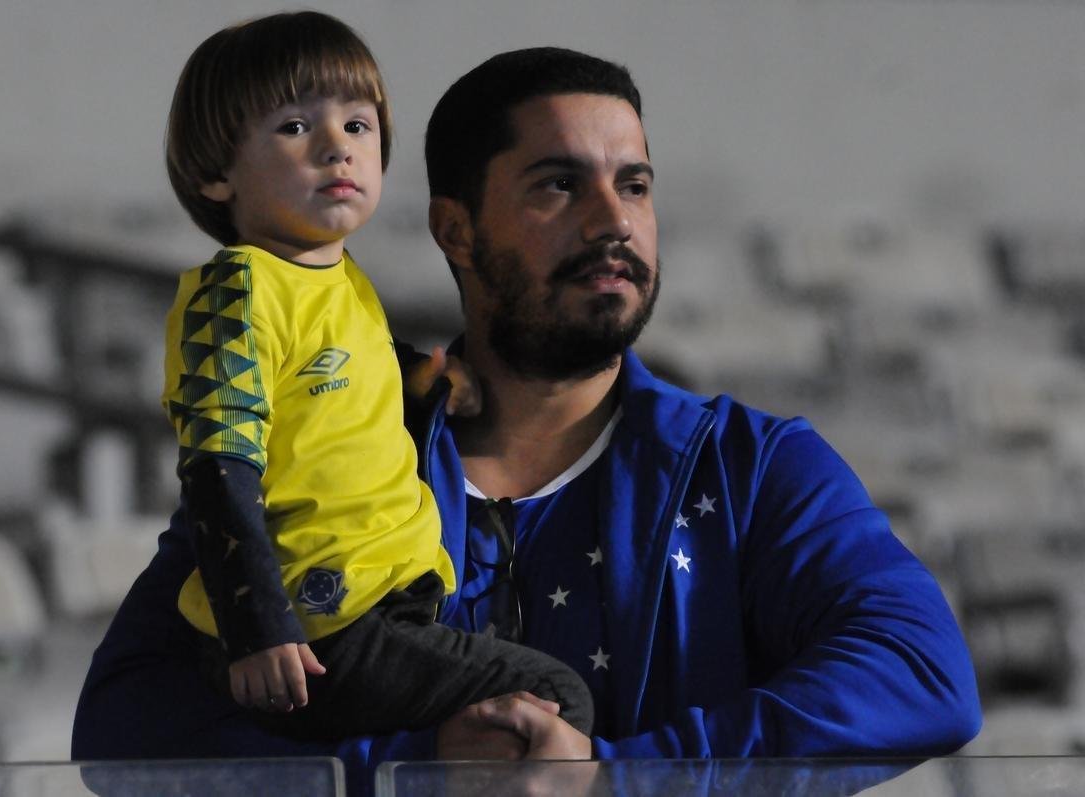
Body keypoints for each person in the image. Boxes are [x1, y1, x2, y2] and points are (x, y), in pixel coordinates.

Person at [73, 44, 981, 795]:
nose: (611, 221)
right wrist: (412, 774)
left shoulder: (748, 465)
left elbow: (921, 674)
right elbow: (124, 729)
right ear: (456, 231)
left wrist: (615, 779)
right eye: (558, 186)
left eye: (634, 185)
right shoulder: (321, 442)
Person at [148, 10, 592, 745]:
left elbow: (343, 388)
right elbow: (216, 467)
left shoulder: (344, 281)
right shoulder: (237, 289)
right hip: (308, 632)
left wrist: (433, 383)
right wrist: (257, 625)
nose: (336, 149)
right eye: (294, 127)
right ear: (214, 173)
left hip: (373, 604)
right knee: (552, 696)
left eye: (358, 125)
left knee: (504, 720)